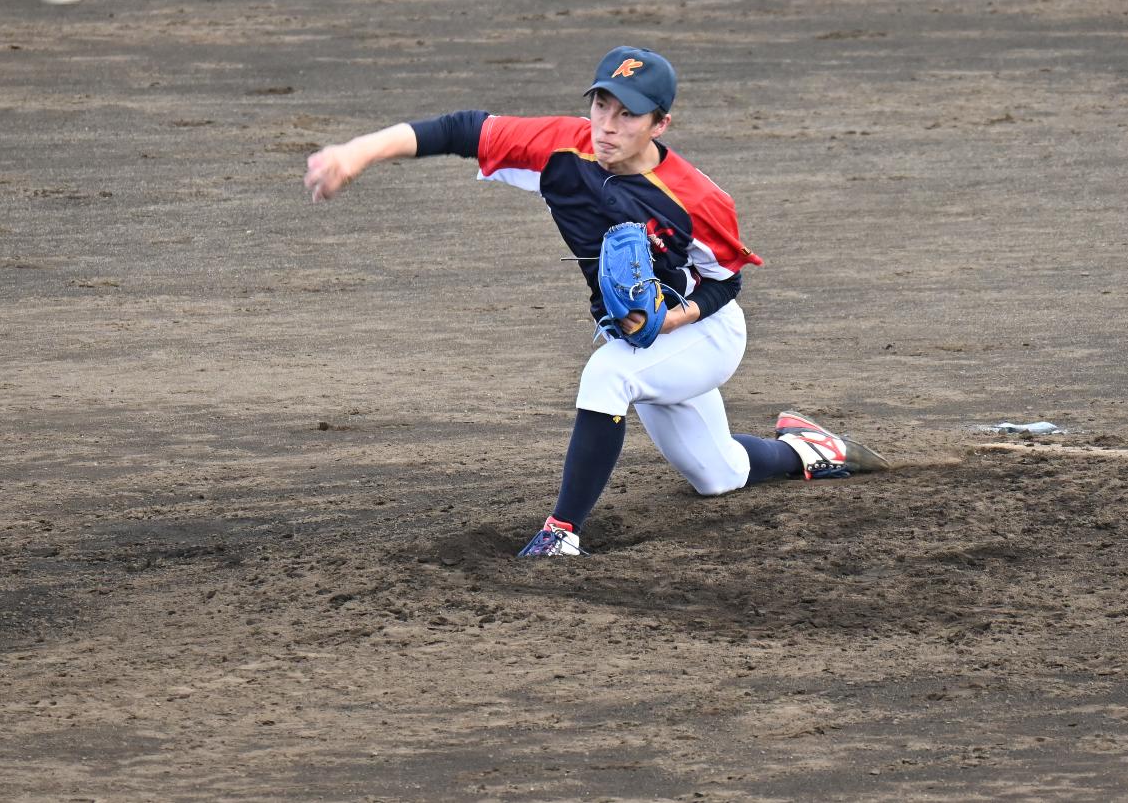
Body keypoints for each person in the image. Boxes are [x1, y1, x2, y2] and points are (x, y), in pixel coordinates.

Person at [303, 45, 885, 557]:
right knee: (719, 475)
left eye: (627, 113)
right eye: (600, 105)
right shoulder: (562, 150)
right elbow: (461, 129)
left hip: (704, 335)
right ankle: (807, 449)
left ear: (660, 123)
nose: (606, 125)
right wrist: (357, 153)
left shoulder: (695, 199)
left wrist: (668, 318)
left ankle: (562, 532)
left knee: (607, 375)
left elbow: (726, 283)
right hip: (640, 336)